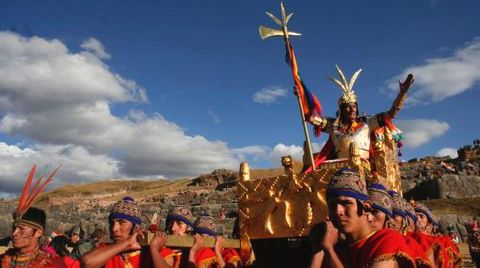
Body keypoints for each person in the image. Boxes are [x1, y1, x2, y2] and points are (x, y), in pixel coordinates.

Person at [307, 66, 413, 165]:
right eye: (347, 107)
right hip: (340, 171)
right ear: (341, 110)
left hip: (365, 170)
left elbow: (391, 115)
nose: (352, 109)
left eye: (354, 106)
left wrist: (402, 94)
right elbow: (311, 118)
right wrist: (302, 94)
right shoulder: (333, 126)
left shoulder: (367, 123)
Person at [312, 168, 416, 267]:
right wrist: (318, 248)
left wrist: (329, 251)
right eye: (332, 205)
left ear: (365, 207)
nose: (338, 211)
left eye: (346, 203)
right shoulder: (339, 248)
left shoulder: (387, 241)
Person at [80, 196, 174, 268]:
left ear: (135, 227)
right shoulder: (106, 249)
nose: (114, 228)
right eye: (112, 223)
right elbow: (87, 262)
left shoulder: (154, 249)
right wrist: (127, 244)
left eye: (121, 223)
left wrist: (154, 249)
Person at [0, 207, 67, 267]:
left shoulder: (54, 264)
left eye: (22, 229)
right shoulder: (2, 260)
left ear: (38, 233)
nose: (14, 233)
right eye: (14, 228)